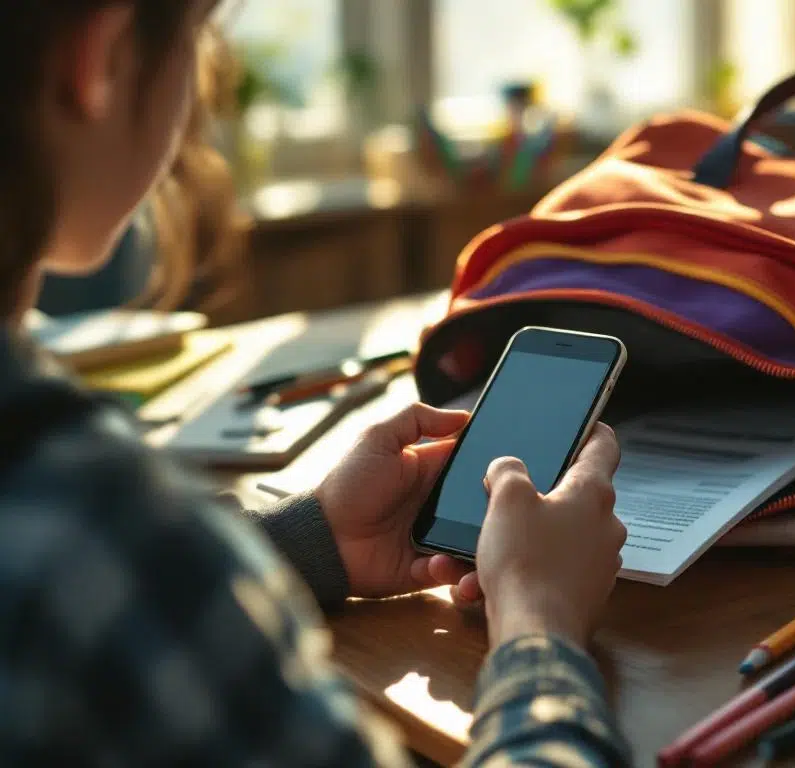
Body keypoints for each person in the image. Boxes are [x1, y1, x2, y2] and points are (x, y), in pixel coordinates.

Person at [0, 3, 632, 767]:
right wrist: (541, 626)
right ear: (99, 60)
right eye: (199, 46)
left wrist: (312, 543)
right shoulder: (98, 528)